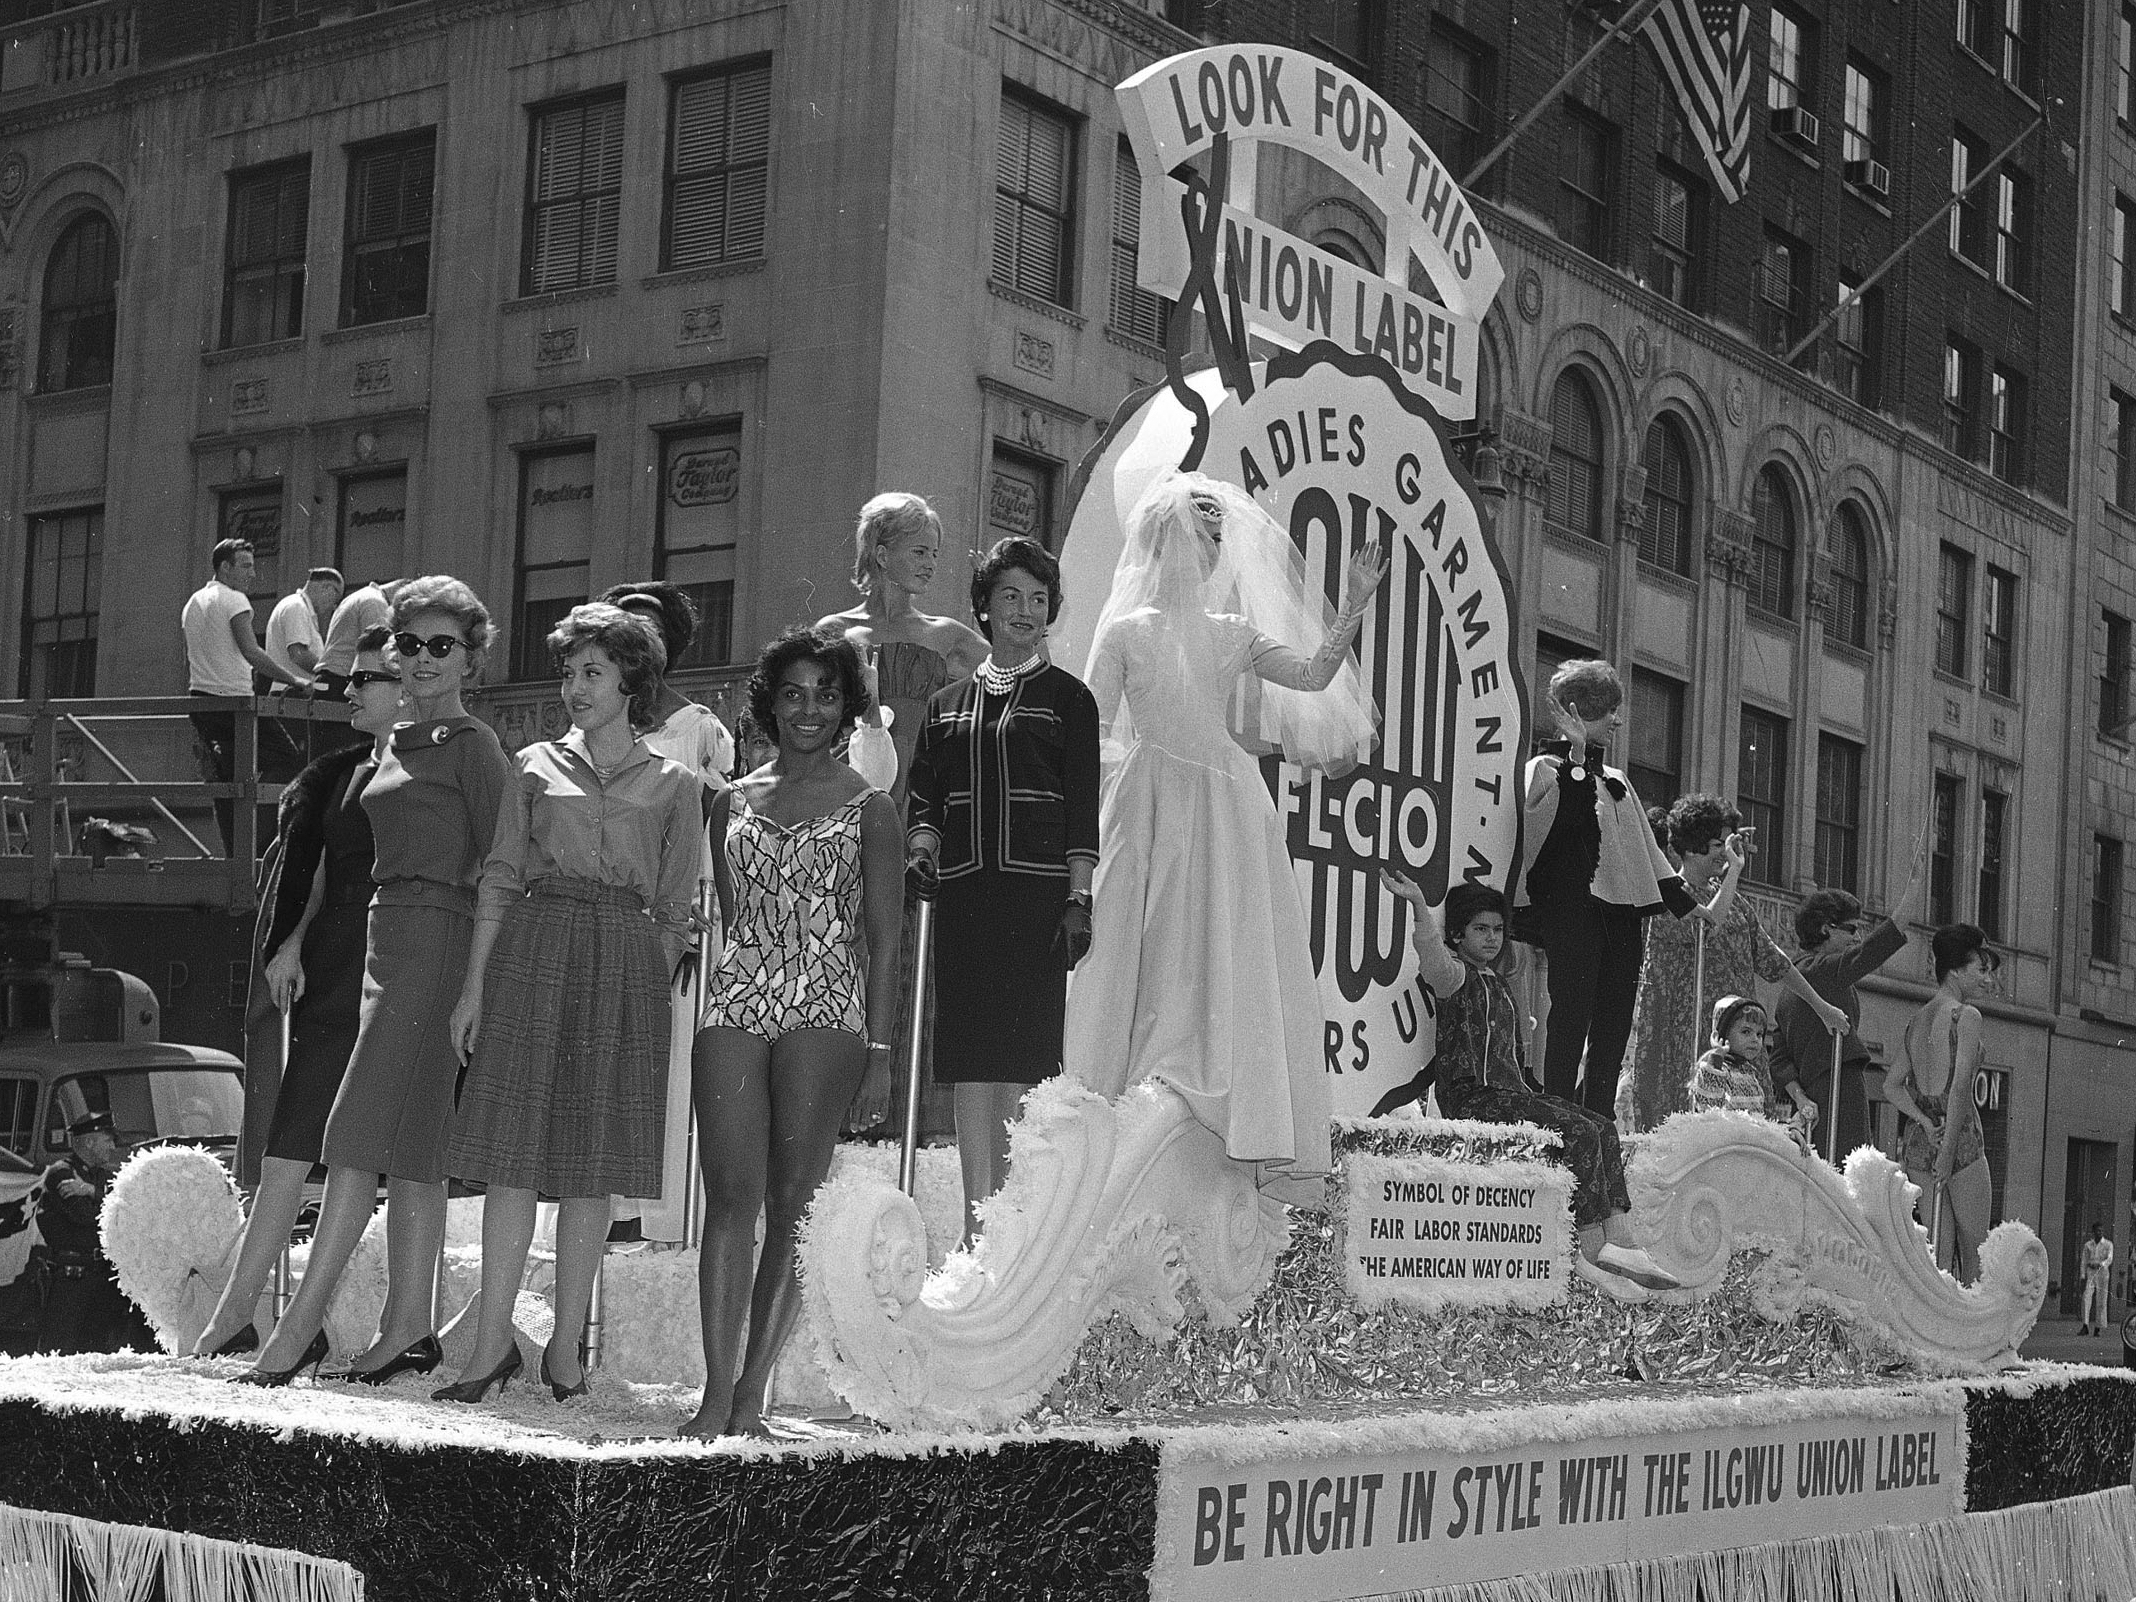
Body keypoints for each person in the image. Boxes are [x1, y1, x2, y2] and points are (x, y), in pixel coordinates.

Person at [1063, 473, 1383, 1202]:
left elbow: (1311, 674)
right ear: (1160, 538)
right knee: (1143, 941)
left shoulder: (1231, 632)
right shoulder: (1125, 630)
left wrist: (1355, 602)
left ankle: (1211, 1100)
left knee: (1219, 946)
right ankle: (1131, 1095)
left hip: (1227, 803)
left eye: (1216, 537)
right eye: (1200, 534)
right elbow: (1091, 733)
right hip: (1148, 801)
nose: (1211, 549)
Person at [236, 577, 511, 1387]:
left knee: (352, 1138)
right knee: (416, 1150)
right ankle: (408, 1330)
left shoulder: (474, 747)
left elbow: (504, 865)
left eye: (442, 647)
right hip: (383, 941)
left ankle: (292, 1335)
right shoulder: (393, 748)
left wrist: (476, 988)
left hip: (439, 941)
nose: (422, 661)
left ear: (470, 658)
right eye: (410, 645)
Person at [436, 604, 702, 1404]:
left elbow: (676, 907)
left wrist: (644, 986)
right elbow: (500, 878)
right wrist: (475, 987)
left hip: (623, 961)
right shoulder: (532, 765)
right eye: (568, 672)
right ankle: (487, 1350)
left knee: (591, 1165)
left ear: (632, 683)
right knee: (512, 1156)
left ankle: (564, 1350)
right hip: (533, 949)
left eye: (592, 673)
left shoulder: (676, 784)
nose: (574, 688)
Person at [684, 626, 903, 1437]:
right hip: (738, 999)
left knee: (790, 1200)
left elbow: (884, 942)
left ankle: (752, 1395)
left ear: (847, 707)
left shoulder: (869, 809)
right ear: (769, 704)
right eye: (793, 693)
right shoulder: (729, 804)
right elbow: (736, 919)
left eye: (826, 694)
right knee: (729, 1200)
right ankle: (714, 1396)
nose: (809, 709)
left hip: (828, 1006)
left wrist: (879, 1053)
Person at [194, 629, 400, 1359]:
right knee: (288, 1145)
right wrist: (288, 943)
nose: (351, 691)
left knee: (352, 1149)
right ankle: (233, 1315)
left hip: (391, 968)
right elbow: (316, 868)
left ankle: (297, 1326)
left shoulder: (428, 767)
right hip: (330, 964)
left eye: (367, 680)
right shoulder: (341, 774)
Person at [905, 538, 1101, 1242]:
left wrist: (1079, 900)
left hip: (1038, 903)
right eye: (1011, 596)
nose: (1025, 611)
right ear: (983, 607)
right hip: (964, 899)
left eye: (1039, 599)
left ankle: (1014, 1223)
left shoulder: (1070, 699)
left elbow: (1083, 807)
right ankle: (972, 1224)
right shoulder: (945, 705)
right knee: (971, 1066)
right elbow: (927, 797)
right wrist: (923, 850)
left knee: (1021, 1066)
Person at [1383, 875, 1679, 1300]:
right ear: (1457, 934)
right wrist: (1416, 903)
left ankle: (1623, 1242)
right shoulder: (1454, 978)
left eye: (1498, 930)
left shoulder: (1500, 984)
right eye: (1480, 929)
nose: (1492, 938)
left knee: (1601, 1126)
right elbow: (1430, 954)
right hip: (1475, 1097)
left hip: (1510, 1094)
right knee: (1577, 1132)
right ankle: (1592, 1250)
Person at [600, 581, 735, 1245]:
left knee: (668, 1068)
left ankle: (663, 1218)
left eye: (650, 630)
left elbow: (723, 837)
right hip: (602, 925)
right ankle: (604, 1213)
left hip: (676, 935)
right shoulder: (592, 730)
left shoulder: (700, 731)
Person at [1513, 661, 1700, 1121]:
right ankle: (1559, 1112)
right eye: (1609, 711)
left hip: (1622, 914)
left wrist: (1681, 898)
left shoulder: (1617, 778)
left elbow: (1645, 849)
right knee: (1571, 1013)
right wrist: (1575, 764)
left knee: (1615, 1022)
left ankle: (1598, 1118)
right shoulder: (1544, 768)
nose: (1617, 721)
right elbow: (1544, 829)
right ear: (1577, 711)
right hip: (1573, 910)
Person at [1619, 794, 1846, 1132]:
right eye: (1716, 844)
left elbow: (1772, 959)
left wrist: (1821, 1006)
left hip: (1739, 1039)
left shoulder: (1736, 902)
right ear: (1692, 848)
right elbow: (1706, 924)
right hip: (1686, 1041)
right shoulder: (1665, 898)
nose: (1724, 853)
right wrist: (1734, 872)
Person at [1769, 828, 1929, 1149]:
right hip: (1840, 1089)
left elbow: (1779, 1059)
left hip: (1811, 1099)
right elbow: (1874, 948)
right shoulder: (1824, 971)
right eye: (1851, 929)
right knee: (1850, 1174)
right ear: (1826, 929)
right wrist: (1914, 887)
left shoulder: (1795, 981)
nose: (1857, 937)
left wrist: (1801, 1099)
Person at [1882, 924, 1998, 1285]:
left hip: (1920, 1142)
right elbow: (1961, 1088)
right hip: (1959, 1141)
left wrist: (1923, 1120)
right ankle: (1974, 1339)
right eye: (1982, 970)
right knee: (1976, 1253)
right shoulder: (1966, 1017)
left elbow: (1891, 1086)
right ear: (1957, 971)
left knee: (1939, 1259)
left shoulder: (1917, 1019)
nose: (1989, 980)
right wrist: (1948, 1151)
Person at [182, 538, 311, 853]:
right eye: (246, 566)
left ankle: (236, 856)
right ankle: (262, 845)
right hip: (234, 703)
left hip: (201, 700)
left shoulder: (193, 602)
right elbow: (252, 652)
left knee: (228, 783)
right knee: (289, 760)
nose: (253, 574)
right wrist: (294, 679)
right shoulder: (235, 600)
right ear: (225, 567)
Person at [32, 1111, 156, 1354]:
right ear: (89, 1142)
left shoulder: (99, 1177)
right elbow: (85, 1216)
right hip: (71, 1278)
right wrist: (103, 1197)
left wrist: (91, 1191)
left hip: (100, 1277)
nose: (112, 1147)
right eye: (107, 1140)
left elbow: (131, 1206)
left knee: (97, 1349)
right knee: (61, 1349)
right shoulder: (62, 1173)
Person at [1686, 994, 1816, 1134]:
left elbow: (1757, 1118)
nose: (1755, 1039)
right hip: (1724, 1146)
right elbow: (1710, 1106)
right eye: (1746, 1031)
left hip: (1747, 1145)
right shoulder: (1715, 1068)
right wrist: (1717, 1056)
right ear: (1722, 1035)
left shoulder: (1750, 1072)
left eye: (1759, 1034)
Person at [316, 578, 406, 700]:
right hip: (341, 680)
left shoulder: (359, 595)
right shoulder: (375, 603)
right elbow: (377, 649)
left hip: (330, 677)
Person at [262, 568, 344, 689]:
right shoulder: (297, 607)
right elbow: (298, 654)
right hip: (293, 694)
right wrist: (329, 674)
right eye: (336, 600)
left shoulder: (299, 607)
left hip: (293, 691)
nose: (333, 607)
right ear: (326, 587)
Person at [2080, 1223, 2115, 1337]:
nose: (2099, 1233)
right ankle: (2085, 1325)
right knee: (2086, 1297)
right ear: (2093, 1232)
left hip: (2102, 1273)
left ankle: (2098, 1327)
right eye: (2097, 1231)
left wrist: (2102, 1264)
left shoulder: (2108, 1244)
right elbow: (2084, 1261)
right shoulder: (2088, 1245)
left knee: (2101, 1300)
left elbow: (2109, 1258)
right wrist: (2082, 1275)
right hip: (2091, 1272)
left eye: (2101, 1231)